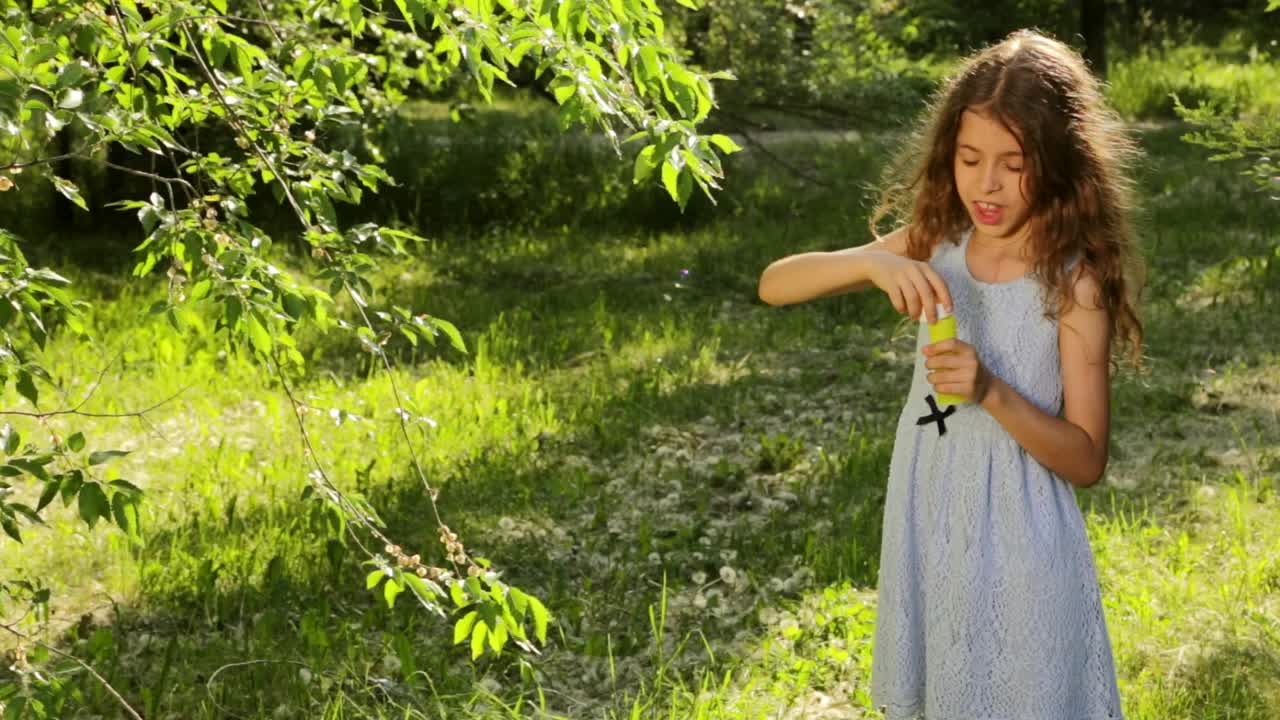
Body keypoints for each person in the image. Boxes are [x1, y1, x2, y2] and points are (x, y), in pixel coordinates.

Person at [757, 29, 1145, 720]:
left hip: (1024, 544)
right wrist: (872, 262)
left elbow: (1086, 458)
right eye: (969, 159)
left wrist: (991, 390)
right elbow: (774, 284)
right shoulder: (938, 240)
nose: (985, 185)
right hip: (933, 521)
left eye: (1012, 163)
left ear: (1057, 163)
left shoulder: (1072, 283)